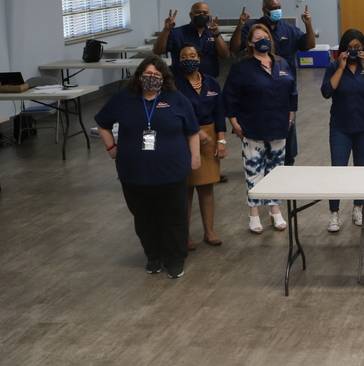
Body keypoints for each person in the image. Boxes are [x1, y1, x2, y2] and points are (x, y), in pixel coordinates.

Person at [95, 56, 200, 279]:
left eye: (156, 76)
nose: (151, 79)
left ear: (164, 78)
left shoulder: (176, 99)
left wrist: (195, 157)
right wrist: (111, 147)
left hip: (171, 173)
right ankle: (153, 257)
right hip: (134, 174)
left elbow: (192, 130)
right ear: (139, 76)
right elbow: (102, 123)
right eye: (147, 75)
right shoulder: (124, 98)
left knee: (173, 219)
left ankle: (174, 259)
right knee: (144, 220)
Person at [222, 23, 298, 233]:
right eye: (258, 38)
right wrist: (234, 122)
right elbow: (229, 97)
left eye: (266, 36)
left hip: (279, 125)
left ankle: (275, 210)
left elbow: (293, 93)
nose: (263, 40)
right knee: (254, 169)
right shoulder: (241, 67)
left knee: (276, 170)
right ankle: (254, 213)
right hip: (252, 125)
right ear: (250, 43)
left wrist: (291, 117)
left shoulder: (282, 63)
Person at [230, 0, 315, 166]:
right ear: (264, 10)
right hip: (258, 91)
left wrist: (308, 24)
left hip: (283, 90)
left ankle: (287, 162)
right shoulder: (253, 28)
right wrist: (240, 25)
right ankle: (260, 162)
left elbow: (309, 44)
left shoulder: (289, 30)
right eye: (274, 7)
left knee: (287, 131)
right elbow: (234, 47)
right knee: (259, 131)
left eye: (279, 6)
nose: (277, 10)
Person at [321, 29, 364, 232]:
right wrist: (340, 67)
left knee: (361, 169)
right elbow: (326, 91)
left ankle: (358, 207)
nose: (354, 52)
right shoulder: (333, 66)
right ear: (343, 50)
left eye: (358, 48)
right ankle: (334, 213)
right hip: (340, 126)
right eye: (350, 48)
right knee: (338, 169)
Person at [175, 45, 227, 250]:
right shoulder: (174, 85)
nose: (188, 59)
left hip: (209, 137)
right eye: (183, 56)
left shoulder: (212, 82)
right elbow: (176, 113)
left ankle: (209, 232)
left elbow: (219, 113)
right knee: (185, 190)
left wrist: (221, 140)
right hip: (183, 137)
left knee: (207, 186)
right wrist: (195, 131)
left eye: (192, 55)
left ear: (200, 58)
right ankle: (185, 235)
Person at [152, 2, 230, 77]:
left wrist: (216, 35)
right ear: (190, 15)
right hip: (180, 81)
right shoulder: (177, 33)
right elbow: (157, 51)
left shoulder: (212, 33)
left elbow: (225, 56)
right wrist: (166, 30)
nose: (202, 15)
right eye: (198, 12)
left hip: (208, 80)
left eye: (205, 13)